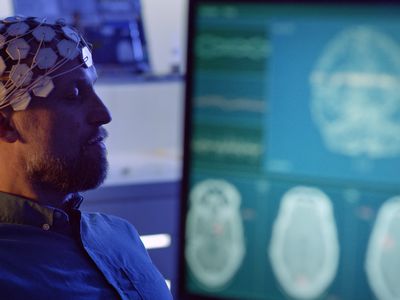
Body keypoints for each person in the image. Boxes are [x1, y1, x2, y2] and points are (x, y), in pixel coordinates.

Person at [0, 15, 172, 299]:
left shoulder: (121, 235)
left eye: (94, 88)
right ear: (6, 125)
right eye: (74, 95)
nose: (103, 114)